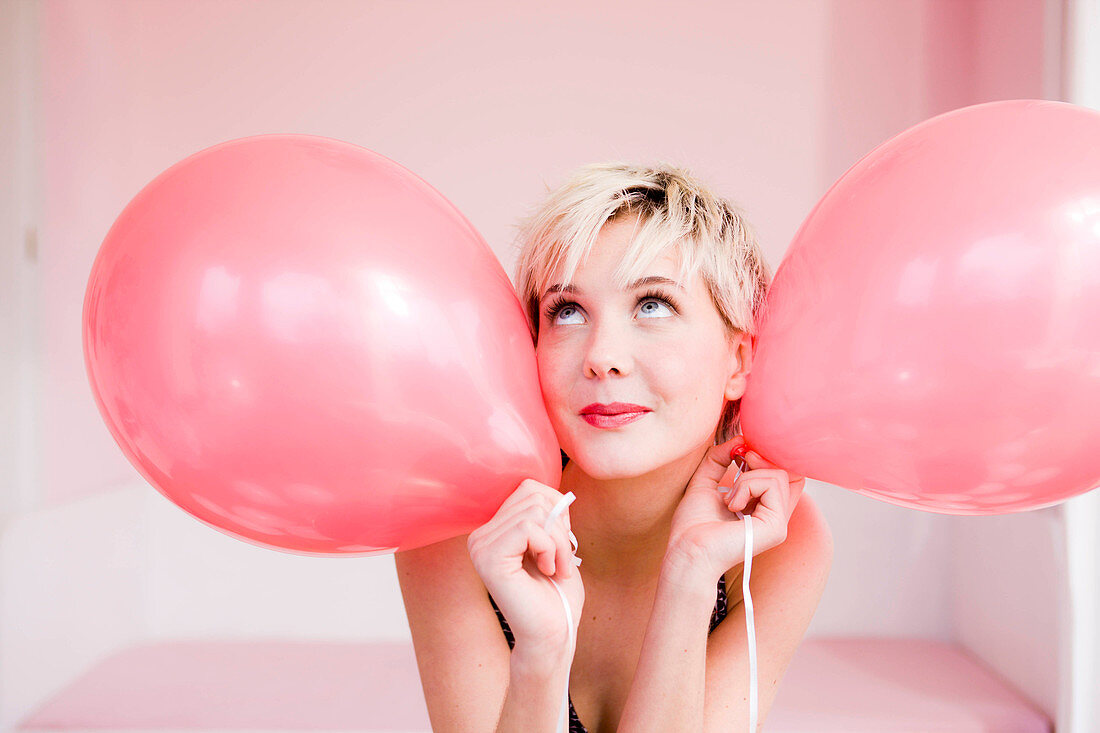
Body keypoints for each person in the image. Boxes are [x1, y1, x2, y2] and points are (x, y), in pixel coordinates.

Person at [395, 162, 833, 733]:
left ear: (739, 361)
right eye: (567, 311)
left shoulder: (774, 541)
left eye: (653, 305)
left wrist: (692, 571)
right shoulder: (456, 528)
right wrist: (542, 655)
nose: (602, 355)